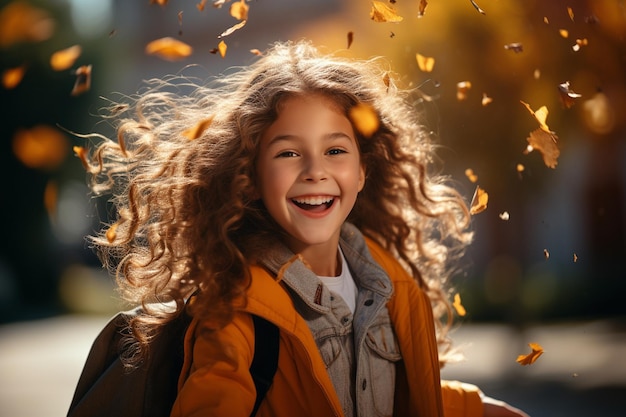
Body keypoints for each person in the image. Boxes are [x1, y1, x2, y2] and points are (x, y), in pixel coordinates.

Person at [82, 40, 529, 417]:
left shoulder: (388, 285)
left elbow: (393, 393)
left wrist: (481, 408)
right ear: (250, 176)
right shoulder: (236, 315)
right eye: (288, 153)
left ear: (362, 171)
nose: (315, 171)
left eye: (335, 150)